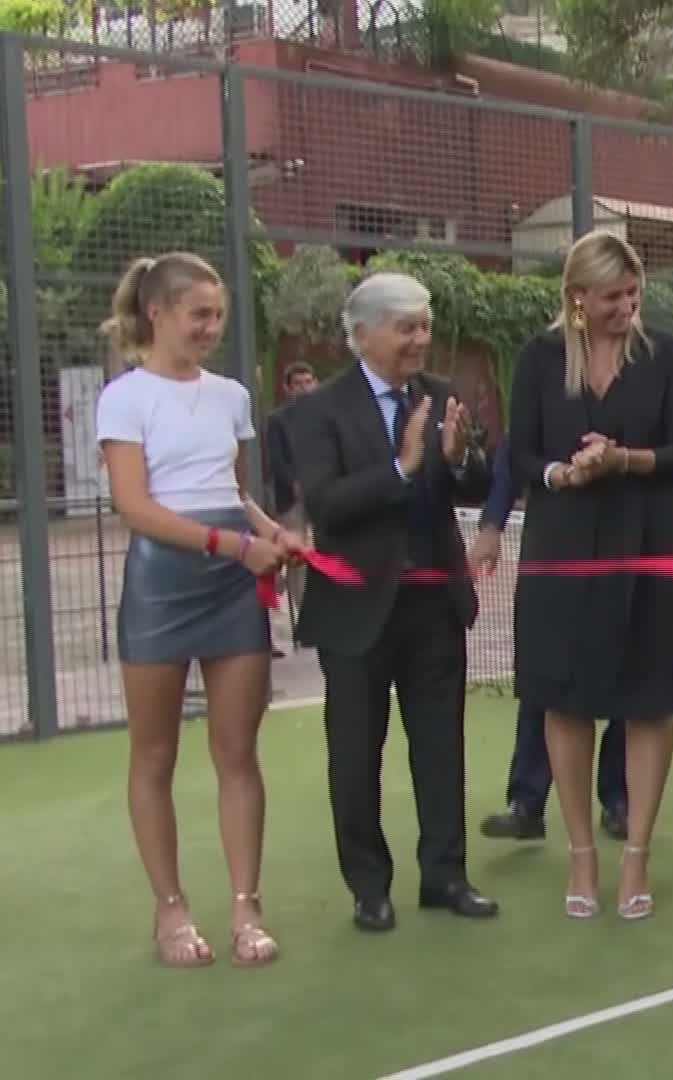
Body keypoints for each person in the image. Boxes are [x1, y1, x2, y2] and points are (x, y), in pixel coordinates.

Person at [96, 252, 301, 967]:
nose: (213, 327)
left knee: (237, 751)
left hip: (232, 579)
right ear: (158, 314)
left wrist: (269, 531)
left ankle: (247, 908)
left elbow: (230, 486)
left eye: (219, 315)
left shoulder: (230, 395)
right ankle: (171, 909)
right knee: (154, 754)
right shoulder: (124, 397)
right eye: (200, 315)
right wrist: (231, 545)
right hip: (163, 578)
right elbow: (135, 506)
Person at [291, 271, 498, 933]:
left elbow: (476, 488)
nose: (420, 339)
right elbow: (324, 505)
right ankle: (369, 887)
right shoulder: (316, 412)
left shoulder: (442, 397)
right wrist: (402, 469)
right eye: (406, 327)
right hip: (355, 615)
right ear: (364, 335)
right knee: (356, 757)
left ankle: (445, 875)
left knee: (441, 750)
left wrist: (463, 459)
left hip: (435, 608)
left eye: (424, 326)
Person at [509, 229, 673, 921]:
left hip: (647, 541)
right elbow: (522, 452)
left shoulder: (663, 356)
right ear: (577, 297)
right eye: (613, 296)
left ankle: (636, 854)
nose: (627, 305)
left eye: (633, 293)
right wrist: (563, 472)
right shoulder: (539, 358)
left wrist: (624, 461)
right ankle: (581, 856)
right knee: (565, 698)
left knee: (648, 699)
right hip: (562, 546)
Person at [471, 432, 629, 845]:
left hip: (622, 544)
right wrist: (491, 526)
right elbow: (513, 457)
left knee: (624, 676)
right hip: (553, 551)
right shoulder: (541, 382)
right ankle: (526, 804)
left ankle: (619, 800)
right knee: (541, 676)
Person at [264, 360, 318, 650]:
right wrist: (296, 484)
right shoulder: (278, 419)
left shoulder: (325, 414)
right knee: (298, 558)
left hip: (323, 494)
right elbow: (276, 461)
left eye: (308, 382)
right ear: (287, 388)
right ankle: (303, 621)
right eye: (297, 383)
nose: (304, 388)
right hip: (293, 499)